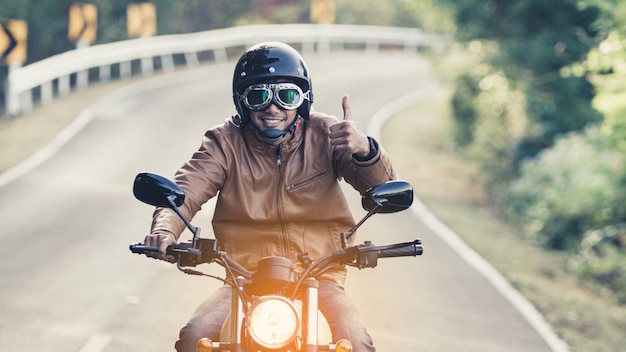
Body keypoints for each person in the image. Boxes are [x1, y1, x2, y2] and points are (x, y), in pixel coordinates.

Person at [144, 41, 396, 352]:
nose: (272, 107)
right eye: (258, 96)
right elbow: (186, 190)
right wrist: (165, 230)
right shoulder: (223, 142)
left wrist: (365, 150)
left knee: (355, 341)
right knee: (196, 337)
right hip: (244, 279)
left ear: (302, 100)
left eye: (286, 96)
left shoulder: (329, 133)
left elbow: (380, 186)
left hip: (319, 275)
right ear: (242, 102)